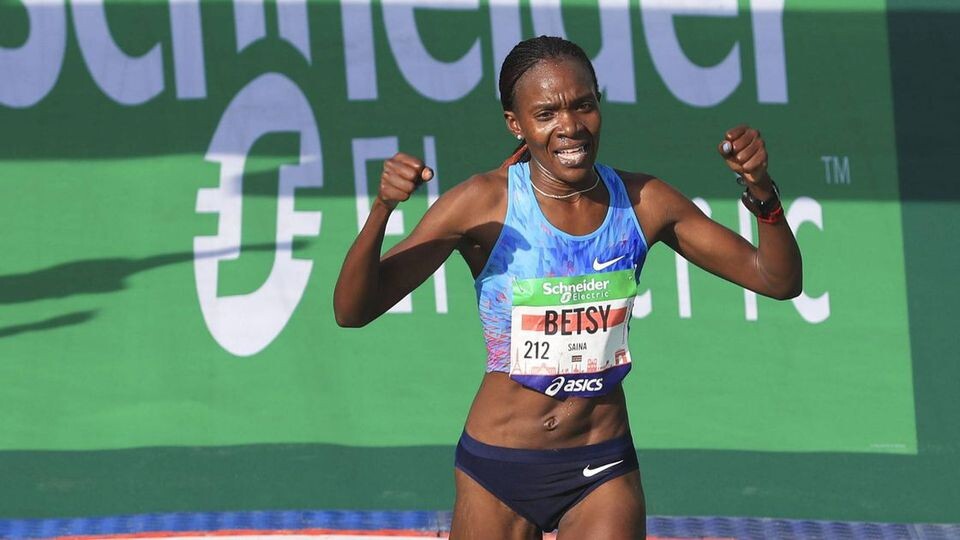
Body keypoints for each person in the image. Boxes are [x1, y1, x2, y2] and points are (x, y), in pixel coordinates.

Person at [334, 35, 802, 539]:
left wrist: (760, 189)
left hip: (602, 465)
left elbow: (777, 279)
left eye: (583, 105)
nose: (570, 126)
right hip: (499, 468)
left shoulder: (644, 202)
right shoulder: (483, 203)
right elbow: (353, 310)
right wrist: (383, 208)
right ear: (515, 124)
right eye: (546, 113)